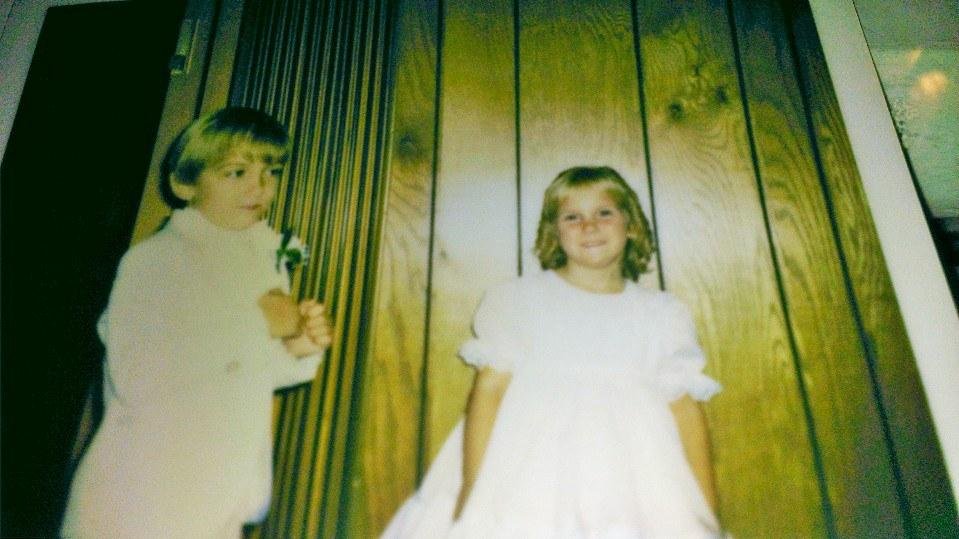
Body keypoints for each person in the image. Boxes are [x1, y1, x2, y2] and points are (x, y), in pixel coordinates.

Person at [383, 166, 723, 537]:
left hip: (635, 483)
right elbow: (489, 392)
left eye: (604, 212)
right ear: (554, 232)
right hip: (529, 481)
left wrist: (706, 514)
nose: (589, 226)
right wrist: (472, 487)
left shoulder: (662, 314)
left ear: (631, 225)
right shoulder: (518, 301)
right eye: (572, 217)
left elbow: (687, 415)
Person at [60, 107, 332, 538]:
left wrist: (294, 350)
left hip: (214, 499)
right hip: (137, 499)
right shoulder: (156, 260)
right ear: (185, 183)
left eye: (271, 172)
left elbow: (238, 372)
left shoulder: (256, 264)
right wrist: (257, 321)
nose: (259, 186)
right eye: (236, 173)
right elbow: (139, 376)